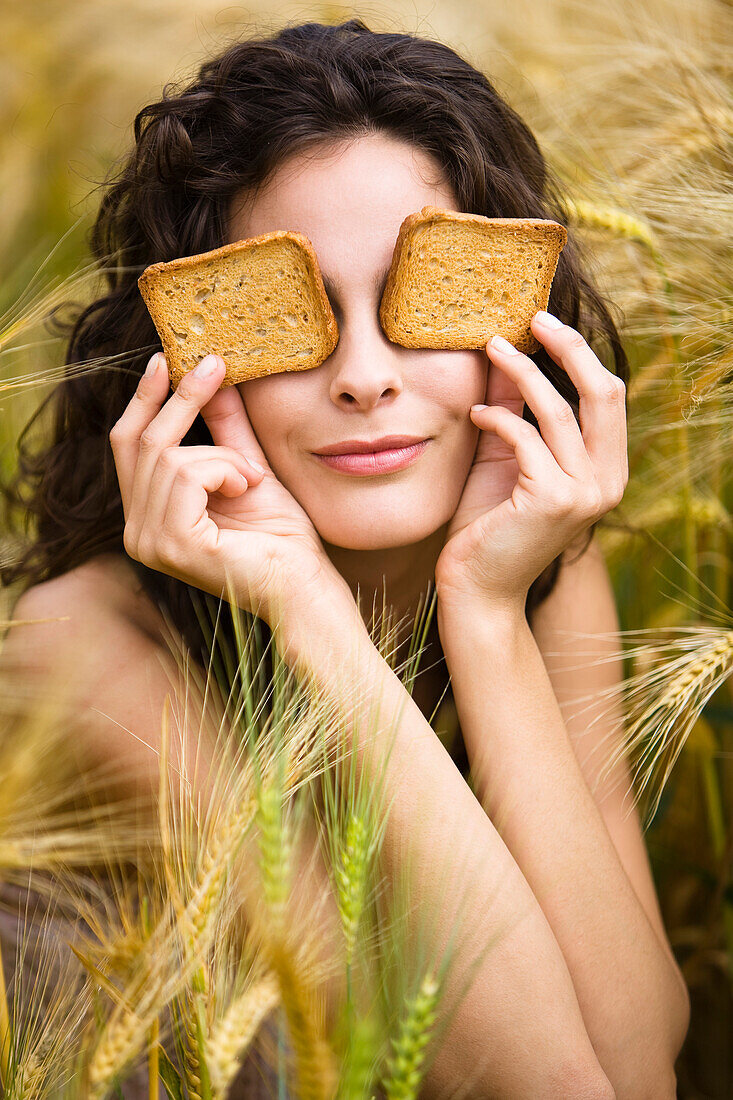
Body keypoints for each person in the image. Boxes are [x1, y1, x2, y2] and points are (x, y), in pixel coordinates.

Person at [0, 17, 689, 1098]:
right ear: (183, 353)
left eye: (419, 306)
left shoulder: (540, 570)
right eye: (294, 316)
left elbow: (640, 1063)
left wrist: (483, 613)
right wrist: (307, 605)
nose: (365, 374)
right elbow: (527, 1080)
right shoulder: (77, 655)